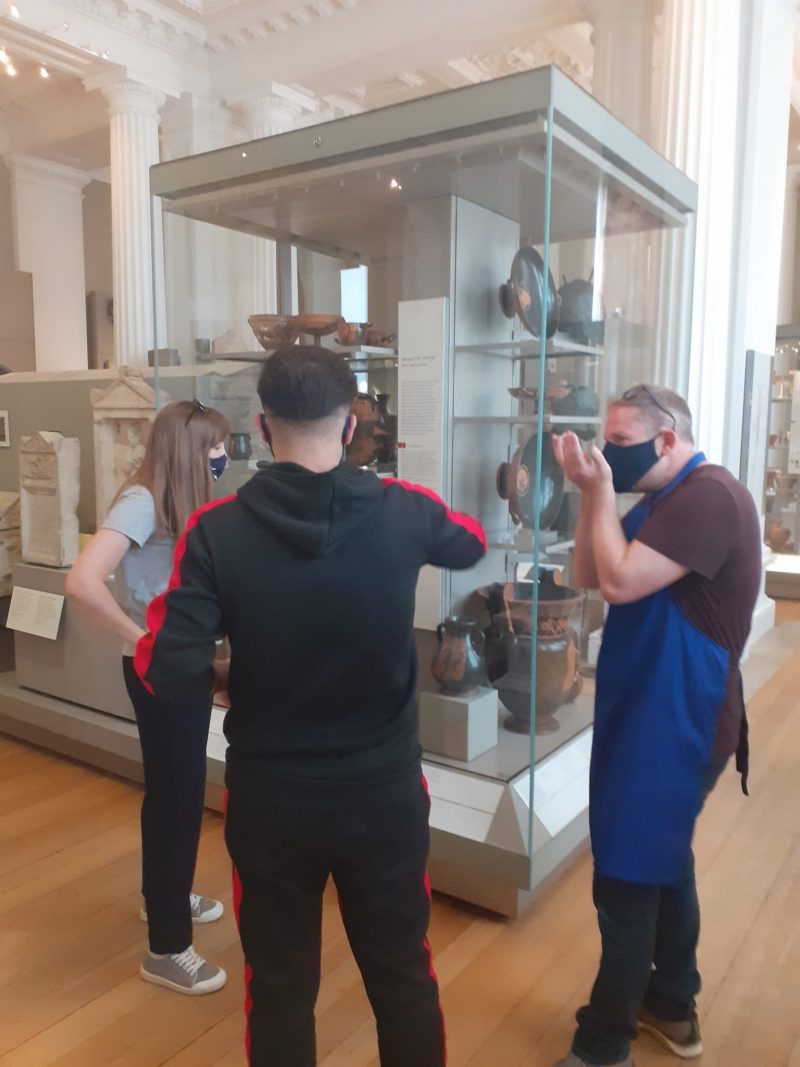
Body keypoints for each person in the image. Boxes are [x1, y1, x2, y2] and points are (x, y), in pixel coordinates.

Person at [134, 345, 487, 1066]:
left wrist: (227, 675)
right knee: (402, 973)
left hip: (271, 799)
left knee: (282, 984)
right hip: (384, 792)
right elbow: (472, 541)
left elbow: (164, 664)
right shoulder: (406, 509)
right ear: (353, 420)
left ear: (262, 428)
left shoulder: (215, 529)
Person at [551, 385, 761, 1067]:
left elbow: (618, 584)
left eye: (621, 437)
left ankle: (604, 1040)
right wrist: (592, 493)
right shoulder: (661, 500)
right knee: (663, 861)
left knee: (629, 874)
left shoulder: (709, 497)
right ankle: (672, 1004)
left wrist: (603, 489)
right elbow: (588, 569)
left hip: (679, 723)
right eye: (604, 438)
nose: (609, 449)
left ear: (667, 438)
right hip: (646, 710)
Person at [66, 399, 231, 996]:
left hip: (181, 662)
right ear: (188, 450)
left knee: (177, 789)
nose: (222, 457)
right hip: (161, 667)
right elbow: (82, 581)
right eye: (214, 447)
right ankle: (167, 946)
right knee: (178, 796)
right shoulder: (140, 501)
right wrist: (143, 642)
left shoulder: (177, 502)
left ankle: (167, 891)